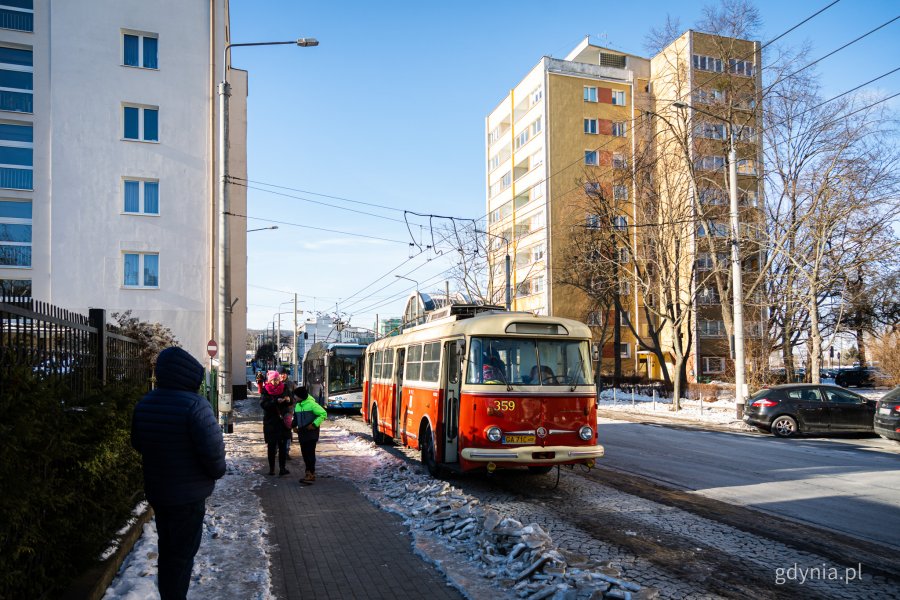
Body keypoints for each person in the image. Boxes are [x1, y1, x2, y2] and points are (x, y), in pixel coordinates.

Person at [131, 347, 226, 600]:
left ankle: (169, 594)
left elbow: (138, 443)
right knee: (182, 555)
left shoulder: (145, 403)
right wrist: (216, 472)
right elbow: (213, 453)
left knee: (168, 550)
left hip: (159, 491)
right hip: (188, 496)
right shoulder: (196, 405)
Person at [292, 385, 328, 483]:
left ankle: (311, 473)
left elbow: (323, 414)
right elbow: (296, 418)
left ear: (301, 396)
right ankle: (308, 472)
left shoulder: (312, 404)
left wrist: (314, 424)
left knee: (310, 453)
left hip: (312, 433)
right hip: (302, 433)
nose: (294, 397)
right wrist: (293, 426)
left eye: (296, 396)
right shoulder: (298, 406)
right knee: (304, 453)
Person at [260, 370, 291, 476]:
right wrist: (275, 402)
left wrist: (288, 399)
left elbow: (291, 400)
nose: (276, 382)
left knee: (282, 447)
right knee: (272, 447)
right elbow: (263, 404)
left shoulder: (284, 388)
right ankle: (272, 469)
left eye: (277, 379)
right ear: (269, 380)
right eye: (274, 380)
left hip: (283, 422)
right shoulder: (265, 390)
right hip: (271, 422)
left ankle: (282, 468)